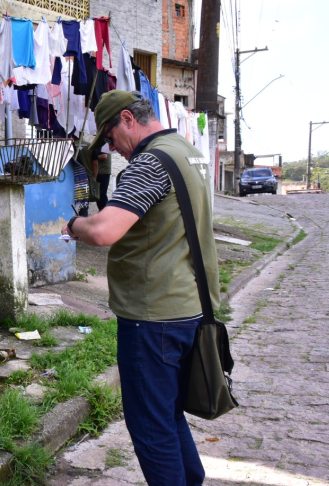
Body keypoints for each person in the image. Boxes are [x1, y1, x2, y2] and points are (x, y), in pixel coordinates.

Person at [61, 91, 219, 486]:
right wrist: (97, 180)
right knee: (167, 414)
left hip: (153, 318)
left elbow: (103, 231)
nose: (113, 148)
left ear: (128, 118)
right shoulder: (186, 151)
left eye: (111, 138)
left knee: (151, 428)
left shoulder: (150, 163)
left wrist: (73, 225)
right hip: (189, 307)